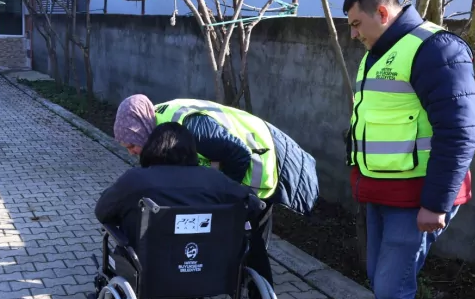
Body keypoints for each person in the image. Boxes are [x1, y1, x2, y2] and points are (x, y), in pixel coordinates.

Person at [334, 0, 475, 299]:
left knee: (393, 291)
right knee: (383, 287)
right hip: (383, 192)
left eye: (357, 23)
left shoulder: (436, 49)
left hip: (417, 200)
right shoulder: (377, 54)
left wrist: (436, 203)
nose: (353, 34)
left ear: (383, 13)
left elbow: (460, 133)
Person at [112, 95, 319, 287]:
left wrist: (224, 199)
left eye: (131, 145)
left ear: (140, 131)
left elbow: (238, 154)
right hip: (242, 159)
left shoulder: (189, 127)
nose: (131, 152)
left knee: (246, 233)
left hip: (267, 161)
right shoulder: (151, 125)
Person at [95, 122, 262, 239]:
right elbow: (253, 205)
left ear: (152, 147)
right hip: (209, 269)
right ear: (191, 150)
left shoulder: (135, 180)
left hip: (149, 270)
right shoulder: (215, 180)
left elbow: (102, 211)